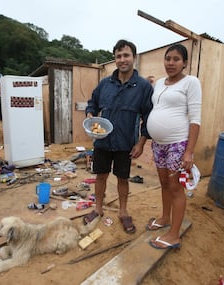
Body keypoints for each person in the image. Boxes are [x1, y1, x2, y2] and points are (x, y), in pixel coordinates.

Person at [84, 39, 154, 234]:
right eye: (118, 56)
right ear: (114, 59)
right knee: (101, 175)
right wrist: (90, 115)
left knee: (123, 178)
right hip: (103, 140)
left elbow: (148, 116)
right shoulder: (105, 84)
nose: (122, 60)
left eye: (126, 55)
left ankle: (123, 212)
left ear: (134, 58)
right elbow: (92, 104)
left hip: (126, 143)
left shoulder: (143, 87)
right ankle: (98, 209)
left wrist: (141, 143)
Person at [146, 44, 202, 249]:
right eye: (167, 58)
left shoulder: (191, 82)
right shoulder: (160, 83)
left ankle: (173, 235)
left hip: (177, 145)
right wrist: (149, 81)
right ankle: (164, 217)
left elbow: (195, 120)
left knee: (176, 188)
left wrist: (189, 151)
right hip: (158, 144)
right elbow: (158, 100)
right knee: (163, 184)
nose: (170, 63)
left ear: (184, 62)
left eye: (176, 59)